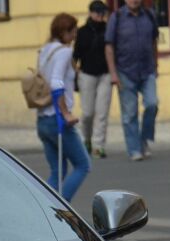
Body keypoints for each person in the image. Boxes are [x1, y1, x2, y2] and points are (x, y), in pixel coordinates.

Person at [36, 13, 90, 201]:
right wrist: (65, 113)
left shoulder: (44, 50)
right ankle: (59, 211)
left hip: (42, 119)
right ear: (64, 32)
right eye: (73, 31)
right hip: (56, 119)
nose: (75, 35)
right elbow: (56, 83)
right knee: (83, 165)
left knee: (57, 171)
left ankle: (43, 207)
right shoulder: (65, 52)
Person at [105, 0, 158, 161]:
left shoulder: (149, 15)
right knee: (129, 113)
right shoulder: (117, 17)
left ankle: (144, 140)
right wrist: (113, 73)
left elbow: (154, 41)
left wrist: (156, 65)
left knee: (152, 104)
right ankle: (134, 149)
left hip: (147, 70)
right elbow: (109, 46)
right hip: (125, 72)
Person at [74, 1, 112, 159]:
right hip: (87, 74)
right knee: (88, 112)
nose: (99, 15)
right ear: (90, 13)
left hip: (105, 74)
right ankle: (86, 139)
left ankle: (99, 145)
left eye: (102, 12)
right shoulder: (82, 32)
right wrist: (75, 75)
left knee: (102, 111)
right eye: (96, 12)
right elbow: (75, 56)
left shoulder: (108, 29)